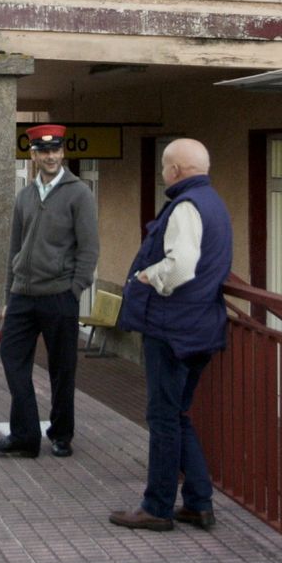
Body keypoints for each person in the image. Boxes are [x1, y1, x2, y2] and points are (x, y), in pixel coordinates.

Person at [109, 138, 232, 532]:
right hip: (200, 326)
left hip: (173, 330)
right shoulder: (213, 202)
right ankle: (198, 503)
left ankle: (158, 507)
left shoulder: (185, 207)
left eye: (164, 168)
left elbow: (181, 267)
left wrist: (149, 276)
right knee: (177, 415)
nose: (164, 174)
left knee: (162, 418)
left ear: (175, 170)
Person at [0, 124, 99, 459]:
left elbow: (89, 249)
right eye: (43, 151)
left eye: (55, 150)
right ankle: (25, 435)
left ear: (63, 152)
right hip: (23, 294)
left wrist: (75, 290)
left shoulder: (79, 193)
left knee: (62, 368)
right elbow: (14, 250)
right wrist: (8, 297)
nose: (50, 156)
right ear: (32, 155)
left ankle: (61, 434)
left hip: (60, 294)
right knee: (12, 359)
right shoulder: (25, 196)